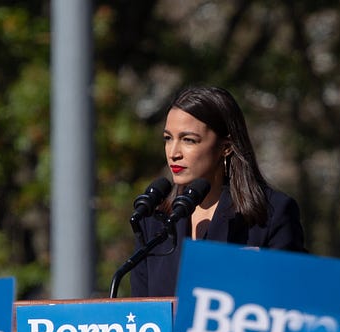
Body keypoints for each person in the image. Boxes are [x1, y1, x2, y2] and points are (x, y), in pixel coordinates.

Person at [130, 85, 306, 299]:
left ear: (226, 146)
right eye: (168, 138)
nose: (173, 153)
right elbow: (141, 314)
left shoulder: (271, 214)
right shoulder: (154, 221)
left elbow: (291, 302)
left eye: (188, 140)